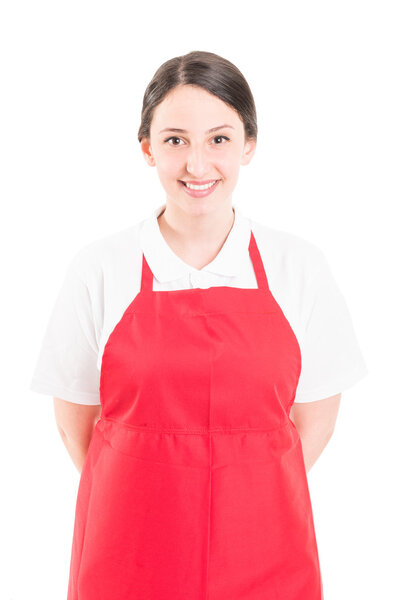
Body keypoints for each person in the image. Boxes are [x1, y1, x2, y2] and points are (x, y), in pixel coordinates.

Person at [29, 50, 368, 600]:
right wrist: (149, 489)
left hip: (264, 548)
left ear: (248, 146)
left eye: (219, 139)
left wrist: (245, 492)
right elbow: (75, 425)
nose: (197, 164)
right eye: (174, 140)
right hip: (129, 548)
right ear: (147, 149)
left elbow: (316, 422)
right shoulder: (100, 267)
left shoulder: (297, 266)